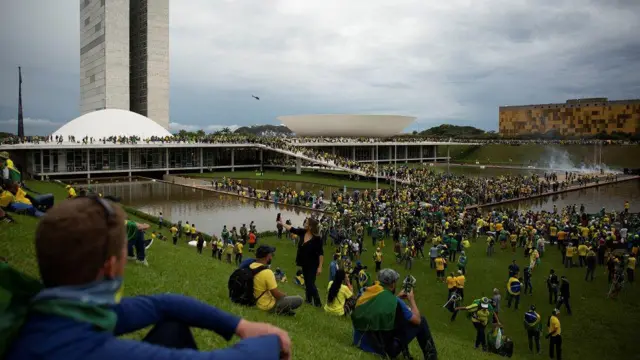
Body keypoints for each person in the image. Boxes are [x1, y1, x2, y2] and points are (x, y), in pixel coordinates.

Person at [3, 196, 292, 360]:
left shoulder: (49, 314)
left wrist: (238, 324)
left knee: (172, 325)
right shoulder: (83, 351)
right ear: (111, 267)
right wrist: (272, 340)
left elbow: (162, 305)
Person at [351, 269, 437, 360]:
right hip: (382, 350)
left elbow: (380, 304)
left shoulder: (365, 291)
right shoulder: (396, 302)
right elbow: (417, 320)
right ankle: (431, 357)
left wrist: (397, 297)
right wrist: (411, 300)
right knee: (422, 321)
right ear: (392, 284)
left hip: (360, 342)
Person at [279, 217, 324, 307]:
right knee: (307, 282)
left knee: (311, 284)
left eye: (306, 223)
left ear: (311, 226)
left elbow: (320, 253)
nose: (304, 224)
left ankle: (318, 303)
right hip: (304, 263)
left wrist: (320, 266)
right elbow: (292, 229)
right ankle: (308, 300)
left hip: (313, 264)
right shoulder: (302, 232)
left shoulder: (317, 239)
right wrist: (282, 223)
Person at [250, 245, 303, 315]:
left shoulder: (251, 266)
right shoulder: (267, 272)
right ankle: (279, 310)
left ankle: (285, 311)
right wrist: (284, 295)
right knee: (299, 299)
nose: (271, 257)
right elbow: (276, 295)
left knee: (286, 302)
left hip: (256, 302)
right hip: (267, 306)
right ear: (267, 256)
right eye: (271, 255)